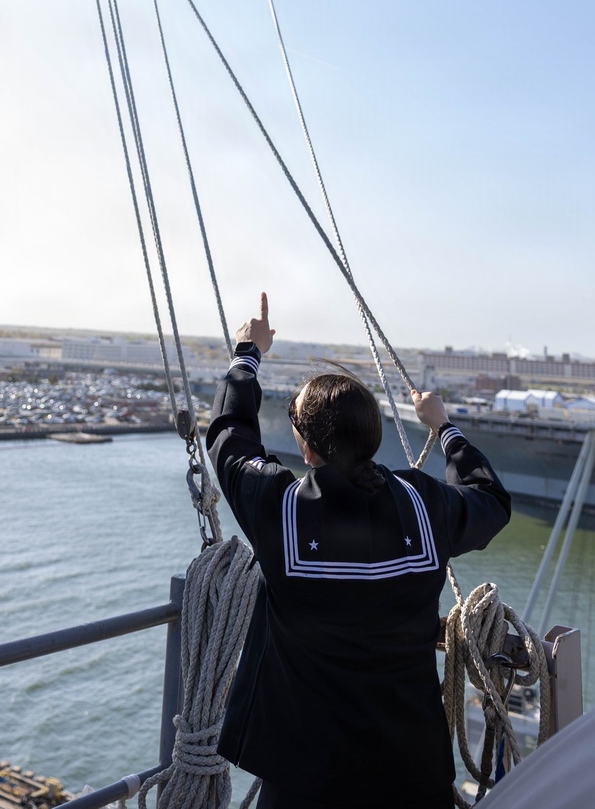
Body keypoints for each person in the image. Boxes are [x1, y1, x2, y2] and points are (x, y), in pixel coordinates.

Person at [207, 293, 511, 809]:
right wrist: (444, 428)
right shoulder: (423, 502)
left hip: (305, 775)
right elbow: (491, 502)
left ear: (307, 446)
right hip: (411, 771)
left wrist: (247, 353)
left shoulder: (282, 512)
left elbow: (230, 438)